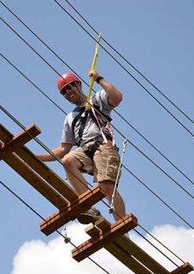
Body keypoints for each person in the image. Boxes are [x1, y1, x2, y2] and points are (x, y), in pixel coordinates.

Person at [37, 70, 127, 224]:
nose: (67, 93)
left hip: (102, 146)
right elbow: (63, 149)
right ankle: (89, 208)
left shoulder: (97, 100)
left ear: (78, 84)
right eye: (63, 92)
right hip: (85, 151)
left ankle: (122, 226)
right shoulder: (70, 118)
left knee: (107, 186)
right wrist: (38, 158)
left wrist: (98, 78)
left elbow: (117, 98)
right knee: (68, 160)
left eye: (69, 87)